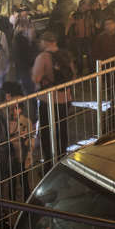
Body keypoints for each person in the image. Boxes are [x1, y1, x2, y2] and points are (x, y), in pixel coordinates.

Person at [32, 31, 74, 165]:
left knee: (47, 132)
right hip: (64, 98)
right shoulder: (65, 54)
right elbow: (73, 74)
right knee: (62, 129)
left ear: (45, 42)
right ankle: (62, 157)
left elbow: (36, 78)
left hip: (48, 100)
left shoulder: (43, 57)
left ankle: (49, 162)